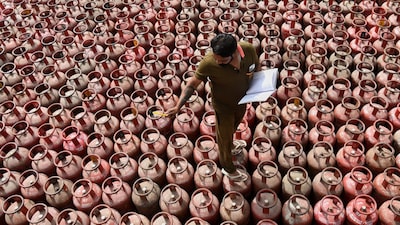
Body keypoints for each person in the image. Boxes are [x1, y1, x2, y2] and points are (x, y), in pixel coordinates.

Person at [166, 33, 260, 181]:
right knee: (224, 138)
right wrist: (178, 106)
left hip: (242, 101)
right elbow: (191, 85)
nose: (217, 61)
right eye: (215, 58)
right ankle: (228, 168)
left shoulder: (248, 50)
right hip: (223, 106)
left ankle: (231, 143)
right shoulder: (209, 63)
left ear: (234, 52)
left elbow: (256, 68)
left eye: (221, 61)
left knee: (234, 126)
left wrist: (259, 89)